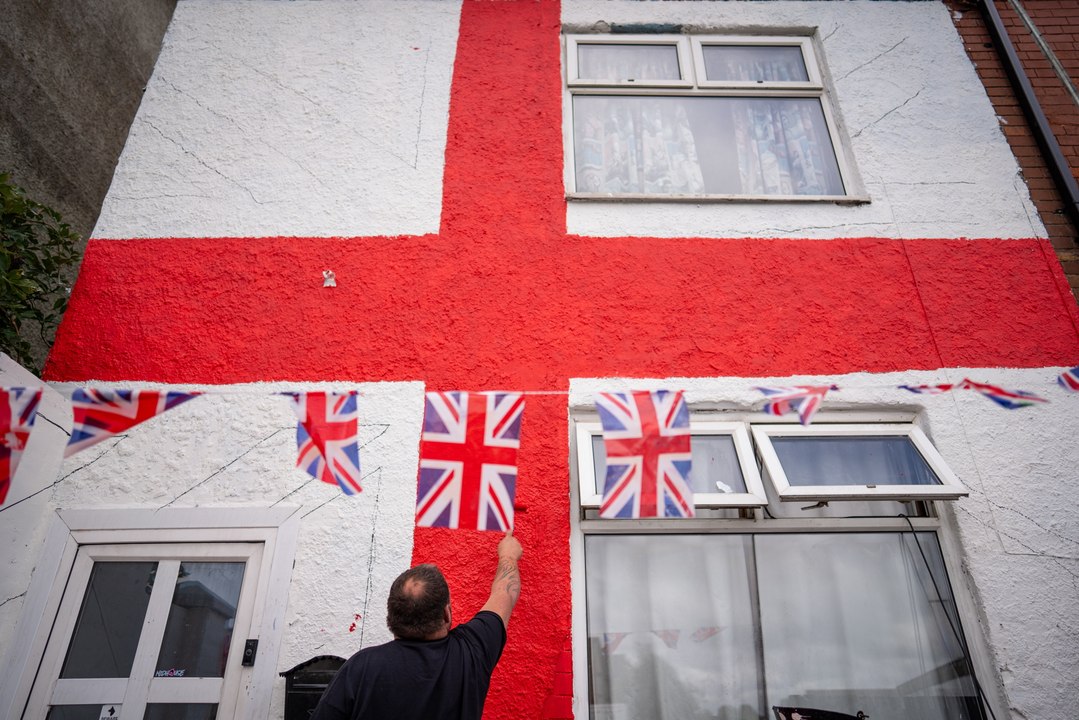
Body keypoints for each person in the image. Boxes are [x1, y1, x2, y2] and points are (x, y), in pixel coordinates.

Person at [310, 530, 523, 720]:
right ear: (446, 614)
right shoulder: (472, 651)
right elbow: (505, 592)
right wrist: (508, 555)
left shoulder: (361, 667)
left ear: (391, 616)